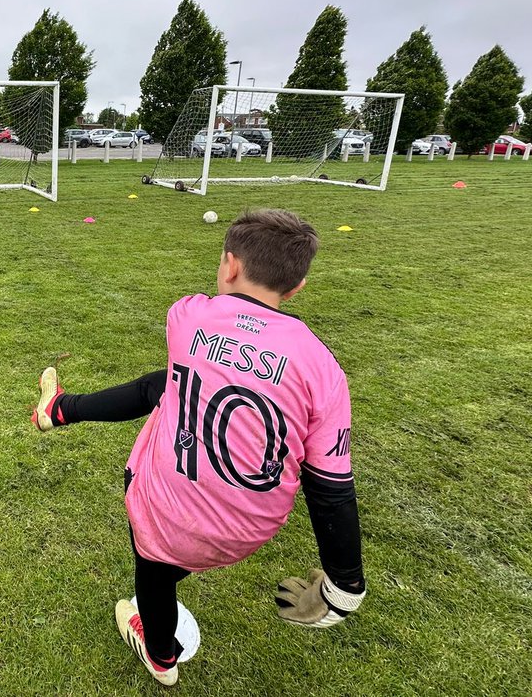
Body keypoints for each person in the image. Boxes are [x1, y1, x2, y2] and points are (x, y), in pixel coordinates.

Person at [31, 209, 365, 687]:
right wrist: (345, 586)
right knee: (165, 386)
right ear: (296, 289)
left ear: (229, 265)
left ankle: (160, 657)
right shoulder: (324, 366)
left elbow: (214, 346)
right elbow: (331, 485)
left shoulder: (188, 315)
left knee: (156, 565)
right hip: (250, 527)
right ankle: (59, 410)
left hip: (169, 510)